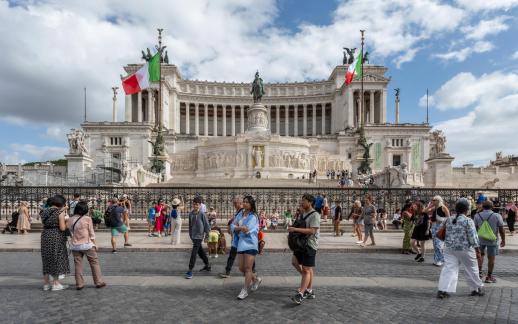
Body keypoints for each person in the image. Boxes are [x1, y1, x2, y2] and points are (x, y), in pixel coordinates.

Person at [437, 199, 484, 299]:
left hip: (449, 248)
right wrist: (477, 250)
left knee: (449, 269)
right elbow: (473, 237)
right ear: (467, 210)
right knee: (471, 269)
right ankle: (475, 289)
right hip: (465, 249)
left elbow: (440, 230)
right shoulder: (468, 221)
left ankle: (443, 290)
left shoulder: (448, 219)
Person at [288, 193, 320, 305]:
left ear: (310, 202)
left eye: (304, 201)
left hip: (310, 245)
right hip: (300, 244)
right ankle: (308, 288)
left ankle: (301, 294)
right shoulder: (303, 213)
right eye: (302, 200)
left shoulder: (315, 215)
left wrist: (295, 229)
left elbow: (312, 231)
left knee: (307, 269)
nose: (302, 202)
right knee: (295, 262)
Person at [67, 200, 106, 290]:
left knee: (78, 265)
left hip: (75, 245)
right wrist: (95, 244)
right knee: (94, 263)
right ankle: (98, 282)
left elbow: (69, 230)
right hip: (87, 244)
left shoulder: (70, 219)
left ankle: (79, 283)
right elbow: (91, 232)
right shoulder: (87, 219)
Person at [231, 195, 261, 300]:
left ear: (251, 204)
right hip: (240, 243)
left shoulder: (254, 216)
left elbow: (247, 229)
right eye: (244, 202)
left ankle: (244, 290)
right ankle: (256, 279)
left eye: (247, 202)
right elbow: (232, 226)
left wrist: (237, 228)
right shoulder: (240, 213)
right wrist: (238, 228)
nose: (244, 203)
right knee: (241, 268)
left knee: (248, 268)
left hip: (251, 243)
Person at [40, 195, 70, 291]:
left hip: (45, 235)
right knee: (56, 258)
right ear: (60, 203)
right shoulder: (59, 213)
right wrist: (67, 222)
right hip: (56, 236)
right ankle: (56, 284)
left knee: (47, 258)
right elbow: (62, 228)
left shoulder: (44, 211)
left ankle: (46, 284)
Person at [474, 200, 506, 283]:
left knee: (480, 256)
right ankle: (489, 276)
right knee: (491, 258)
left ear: (483, 207)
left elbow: (474, 228)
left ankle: (479, 273)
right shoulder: (497, 215)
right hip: (492, 239)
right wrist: (503, 240)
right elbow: (502, 229)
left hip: (480, 239)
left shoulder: (477, 215)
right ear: (492, 207)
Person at [185, 196, 211, 279]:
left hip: (199, 236)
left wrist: (207, 235)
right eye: (194, 204)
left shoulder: (202, 214)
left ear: (200, 205)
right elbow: (190, 225)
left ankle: (190, 270)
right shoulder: (191, 214)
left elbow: (207, 225)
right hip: (193, 235)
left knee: (194, 253)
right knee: (200, 252)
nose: (195, 206)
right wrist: (190, 234)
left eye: (197, 204)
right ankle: (207, 265)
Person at [219, 196, 244, 278]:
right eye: (233, 203)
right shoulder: (238, 212)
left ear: (240, 203)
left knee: (245, 255)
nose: (234, 205)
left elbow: (240, 224)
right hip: (237, 239)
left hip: (242, 239)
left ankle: (252, 271)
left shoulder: (243, 212)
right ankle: (227, 271)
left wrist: (233, 225)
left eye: (235, 203)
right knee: (232, 255)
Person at [428, 196, 450, 266]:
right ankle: (437, 259)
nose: (432, 201)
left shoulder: (443, 208)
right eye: (432, 200)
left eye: (434, 200)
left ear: (438, 200)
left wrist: (445, 226)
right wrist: (430, 206)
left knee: (439, 244)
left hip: (441, 227)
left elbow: (448, 218)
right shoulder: (434, 208)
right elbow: (425, 211)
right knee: (435, 244)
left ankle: (441, 260)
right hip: (434, 227)